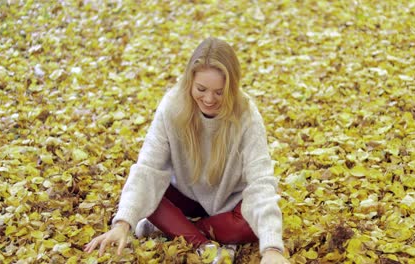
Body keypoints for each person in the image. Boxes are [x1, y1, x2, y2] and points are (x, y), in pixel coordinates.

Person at [84, 37, 289, 264]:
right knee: (151, 194)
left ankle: (174, 227)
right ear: (190, 81)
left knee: (251, 226)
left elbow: (261, 181)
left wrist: (272, 249)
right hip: (183, 192)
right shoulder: (172, 106)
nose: (209, 99)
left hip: (228, 199)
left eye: (219, 92)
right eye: (201, 89)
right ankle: (203, 245)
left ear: (232, 88)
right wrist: (122, 224)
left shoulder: (246, 115)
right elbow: (148, 168)